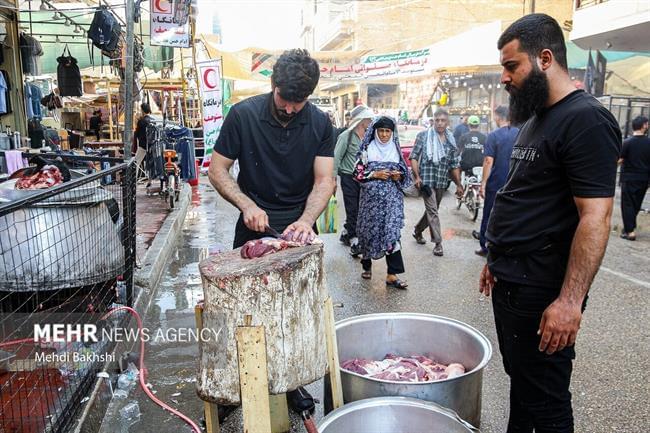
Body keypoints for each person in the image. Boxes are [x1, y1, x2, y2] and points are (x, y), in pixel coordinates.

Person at [479, 14, 621, 433]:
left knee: (547, 401)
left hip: (544, 291)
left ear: (545, 59)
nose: (504, 78)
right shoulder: (536, 118)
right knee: (523, 386)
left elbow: (596, 217)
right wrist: (497, 257)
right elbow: (524, 197)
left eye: (511, 66)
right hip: (513, 279)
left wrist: (570, 302)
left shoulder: (586, 120)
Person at [208, 48, 335, 417]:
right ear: (272, 84)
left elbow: (325, 180)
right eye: (285, 99)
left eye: (300, 102)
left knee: (292, 315)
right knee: (241, 314)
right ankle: (233, 390)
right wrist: (246, 205)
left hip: (296, 229)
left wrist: (307, 220)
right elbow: (217, 170)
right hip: (251, 224)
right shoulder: (243, 115)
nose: (291, 109)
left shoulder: (320, 122)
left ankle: (290, 383)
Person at [354, 116, 410, 289]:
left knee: (392, 234)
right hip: (371, 203)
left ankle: (392, 274)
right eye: (381, 131)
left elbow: (405, 175)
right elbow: (356, 173)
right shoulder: (367, 150)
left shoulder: (396, 150)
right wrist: (374, 174)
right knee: (369, 232)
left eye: (388, 131)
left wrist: (398, 175)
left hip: (391, 202)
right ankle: (367, 265)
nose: (385, 135)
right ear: (375, 132)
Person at [410, 109, 464, 257]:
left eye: (443, 120)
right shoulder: (423, 136)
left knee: (432, 211)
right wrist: (417, 177)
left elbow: (453, 165)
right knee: (433, 211)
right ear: (433, 120)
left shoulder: (451, 140)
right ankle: (438, 243)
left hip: (441, 182)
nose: (440, 123)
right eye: (437, 120)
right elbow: (413, 157)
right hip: (426, 181)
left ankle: (417, 230)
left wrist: (459, 184)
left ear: (447, 122)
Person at [474, 106, 518, 256]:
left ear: (498, 117)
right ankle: (507, 245)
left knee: (489, 213)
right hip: (515, 182)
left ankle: (485, 246)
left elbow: (488, 161)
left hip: (496, 182)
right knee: (511, 214)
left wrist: (483, 183)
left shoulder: (493, 136)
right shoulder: (520, 134)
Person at [333, 104, 374, 255]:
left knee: (361, 208)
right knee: (353, 208)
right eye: (369, 119)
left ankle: (346, 232)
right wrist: (332, 180)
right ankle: (355, 240)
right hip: (348, 177)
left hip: (364, 179)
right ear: (362, 120)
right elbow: (336, 158)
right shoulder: (346, 136)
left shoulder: (370, 138)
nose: (371, 122)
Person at [619, 115, 650, 240]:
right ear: (643, 126)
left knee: (627, 204)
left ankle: (630, 231)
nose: (648, 126)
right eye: (647, 124)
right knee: (636, 204)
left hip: (629, 178)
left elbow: (619, 160)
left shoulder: (627, 142)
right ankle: (630, 226)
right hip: (644, 179)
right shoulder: (649, 143)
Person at [134, 103, 153, 168]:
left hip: (143, 145)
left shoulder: (141, 121)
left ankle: (136, 177)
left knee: (136, 162)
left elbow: (137, 134)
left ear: (142, 110)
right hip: (152, 145)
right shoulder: (153, 121)